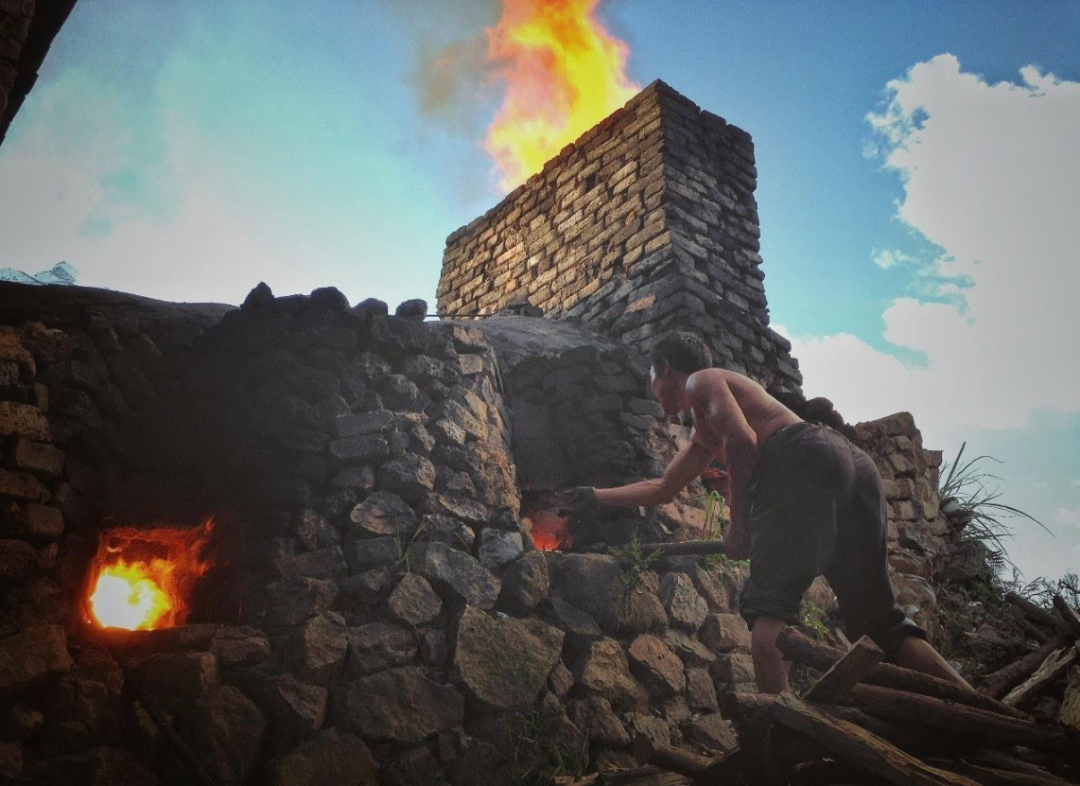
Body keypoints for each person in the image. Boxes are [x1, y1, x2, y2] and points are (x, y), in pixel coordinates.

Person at [557, 331, 970, 694]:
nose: (652, 389)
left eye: (651, 379)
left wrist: (738, 524)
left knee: (765, 617)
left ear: (664, 369)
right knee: (880, 621)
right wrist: (594, 495)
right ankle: (987, 711)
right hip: (855, 468)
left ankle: (782, 736)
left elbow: (743, 442)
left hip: (804, 457)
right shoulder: (705, 431)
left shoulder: (702, 380)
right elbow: (663, 488)